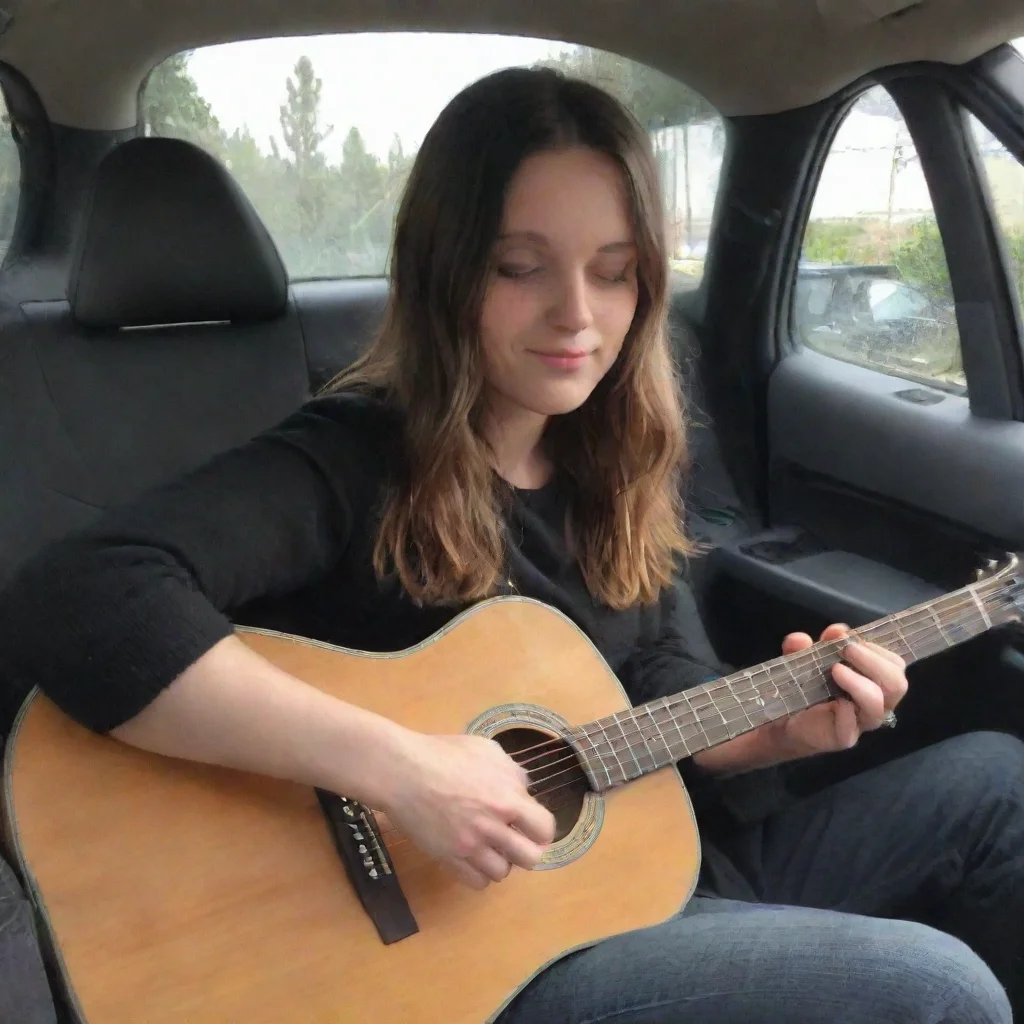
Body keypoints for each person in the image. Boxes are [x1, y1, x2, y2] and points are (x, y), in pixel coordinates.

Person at [0, 66, 1020, 1024]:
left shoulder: (617, 463)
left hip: (662, 870)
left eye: (614, 273)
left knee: (996, 780)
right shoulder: (355, 457)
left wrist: (773, 733)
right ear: (447, 273)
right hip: (479, 948)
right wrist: (402, 769)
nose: (577, 315)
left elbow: (658, 684)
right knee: (936, 986)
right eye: (521, 267)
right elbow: (85, 593)